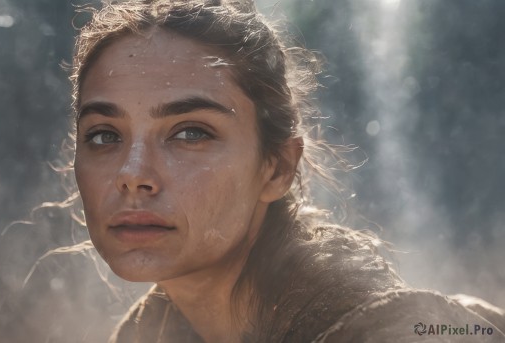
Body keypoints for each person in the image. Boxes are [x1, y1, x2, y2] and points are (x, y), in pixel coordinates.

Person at [69, 0, 505, 342]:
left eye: (190, 133)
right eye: (105, 135)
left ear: (277, 167)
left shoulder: (396, 333)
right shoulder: (147, 332)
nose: (132, 174)